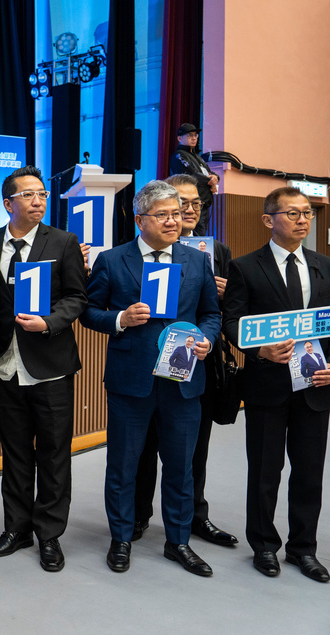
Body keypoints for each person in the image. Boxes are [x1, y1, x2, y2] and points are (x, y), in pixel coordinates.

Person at [80, 180, 221, 577]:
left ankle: (178, 542)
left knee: (181, 466)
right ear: (140, 219)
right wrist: (121, 319)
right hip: (131, 382)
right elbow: (89, 311)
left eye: (177, 214)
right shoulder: (113, 260)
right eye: (163, 215)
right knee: (123, 466)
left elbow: (211, 313)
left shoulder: (195, 261)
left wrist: (206, 340)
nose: (174, 221)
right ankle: (121, 538)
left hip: (182, 379)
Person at [0, 165, 87, 573]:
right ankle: (16, 528)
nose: (38, 200)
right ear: (8, 203)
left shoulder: (63, 241)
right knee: (16, 453)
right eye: (28, 195)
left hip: (51, 366)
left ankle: (49, 535)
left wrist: (50, 322)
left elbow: (77, 297)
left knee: (54, 455)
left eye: (41, 194)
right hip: (5, 366)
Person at [223, 186, 330, 583]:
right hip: (267, 383)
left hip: (315, 384)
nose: (303, 220)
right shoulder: (246, 266)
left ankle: (304, 549)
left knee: (309, 471)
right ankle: (264, 546)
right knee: (265, 471)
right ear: (269, 219)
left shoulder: (324, 265)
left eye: (308, 213)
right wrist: (259, 351)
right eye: (293, 213)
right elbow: (232, 321)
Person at [132, 174, 238, 548]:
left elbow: (222, 309)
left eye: (193, 204)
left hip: (198, 364)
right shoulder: (138, 252)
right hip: (147, 365)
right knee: (143, 448)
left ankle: (194, 516)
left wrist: (227, 292)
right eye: (179, 204)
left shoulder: (216, 252)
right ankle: (137, 516)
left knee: (192, 450)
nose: (186, 211)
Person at [169, 123, 220, 235]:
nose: (193, 138)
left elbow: (210, 173)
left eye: (195, 135)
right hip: (188, 207)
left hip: (202, 204)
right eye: (189, 135)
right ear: (179, 138)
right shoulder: (179, 155)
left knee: (200, 236)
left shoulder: (198, 157)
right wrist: (211, 181)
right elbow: (192, 175)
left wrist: (215, 178)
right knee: (190, 236)